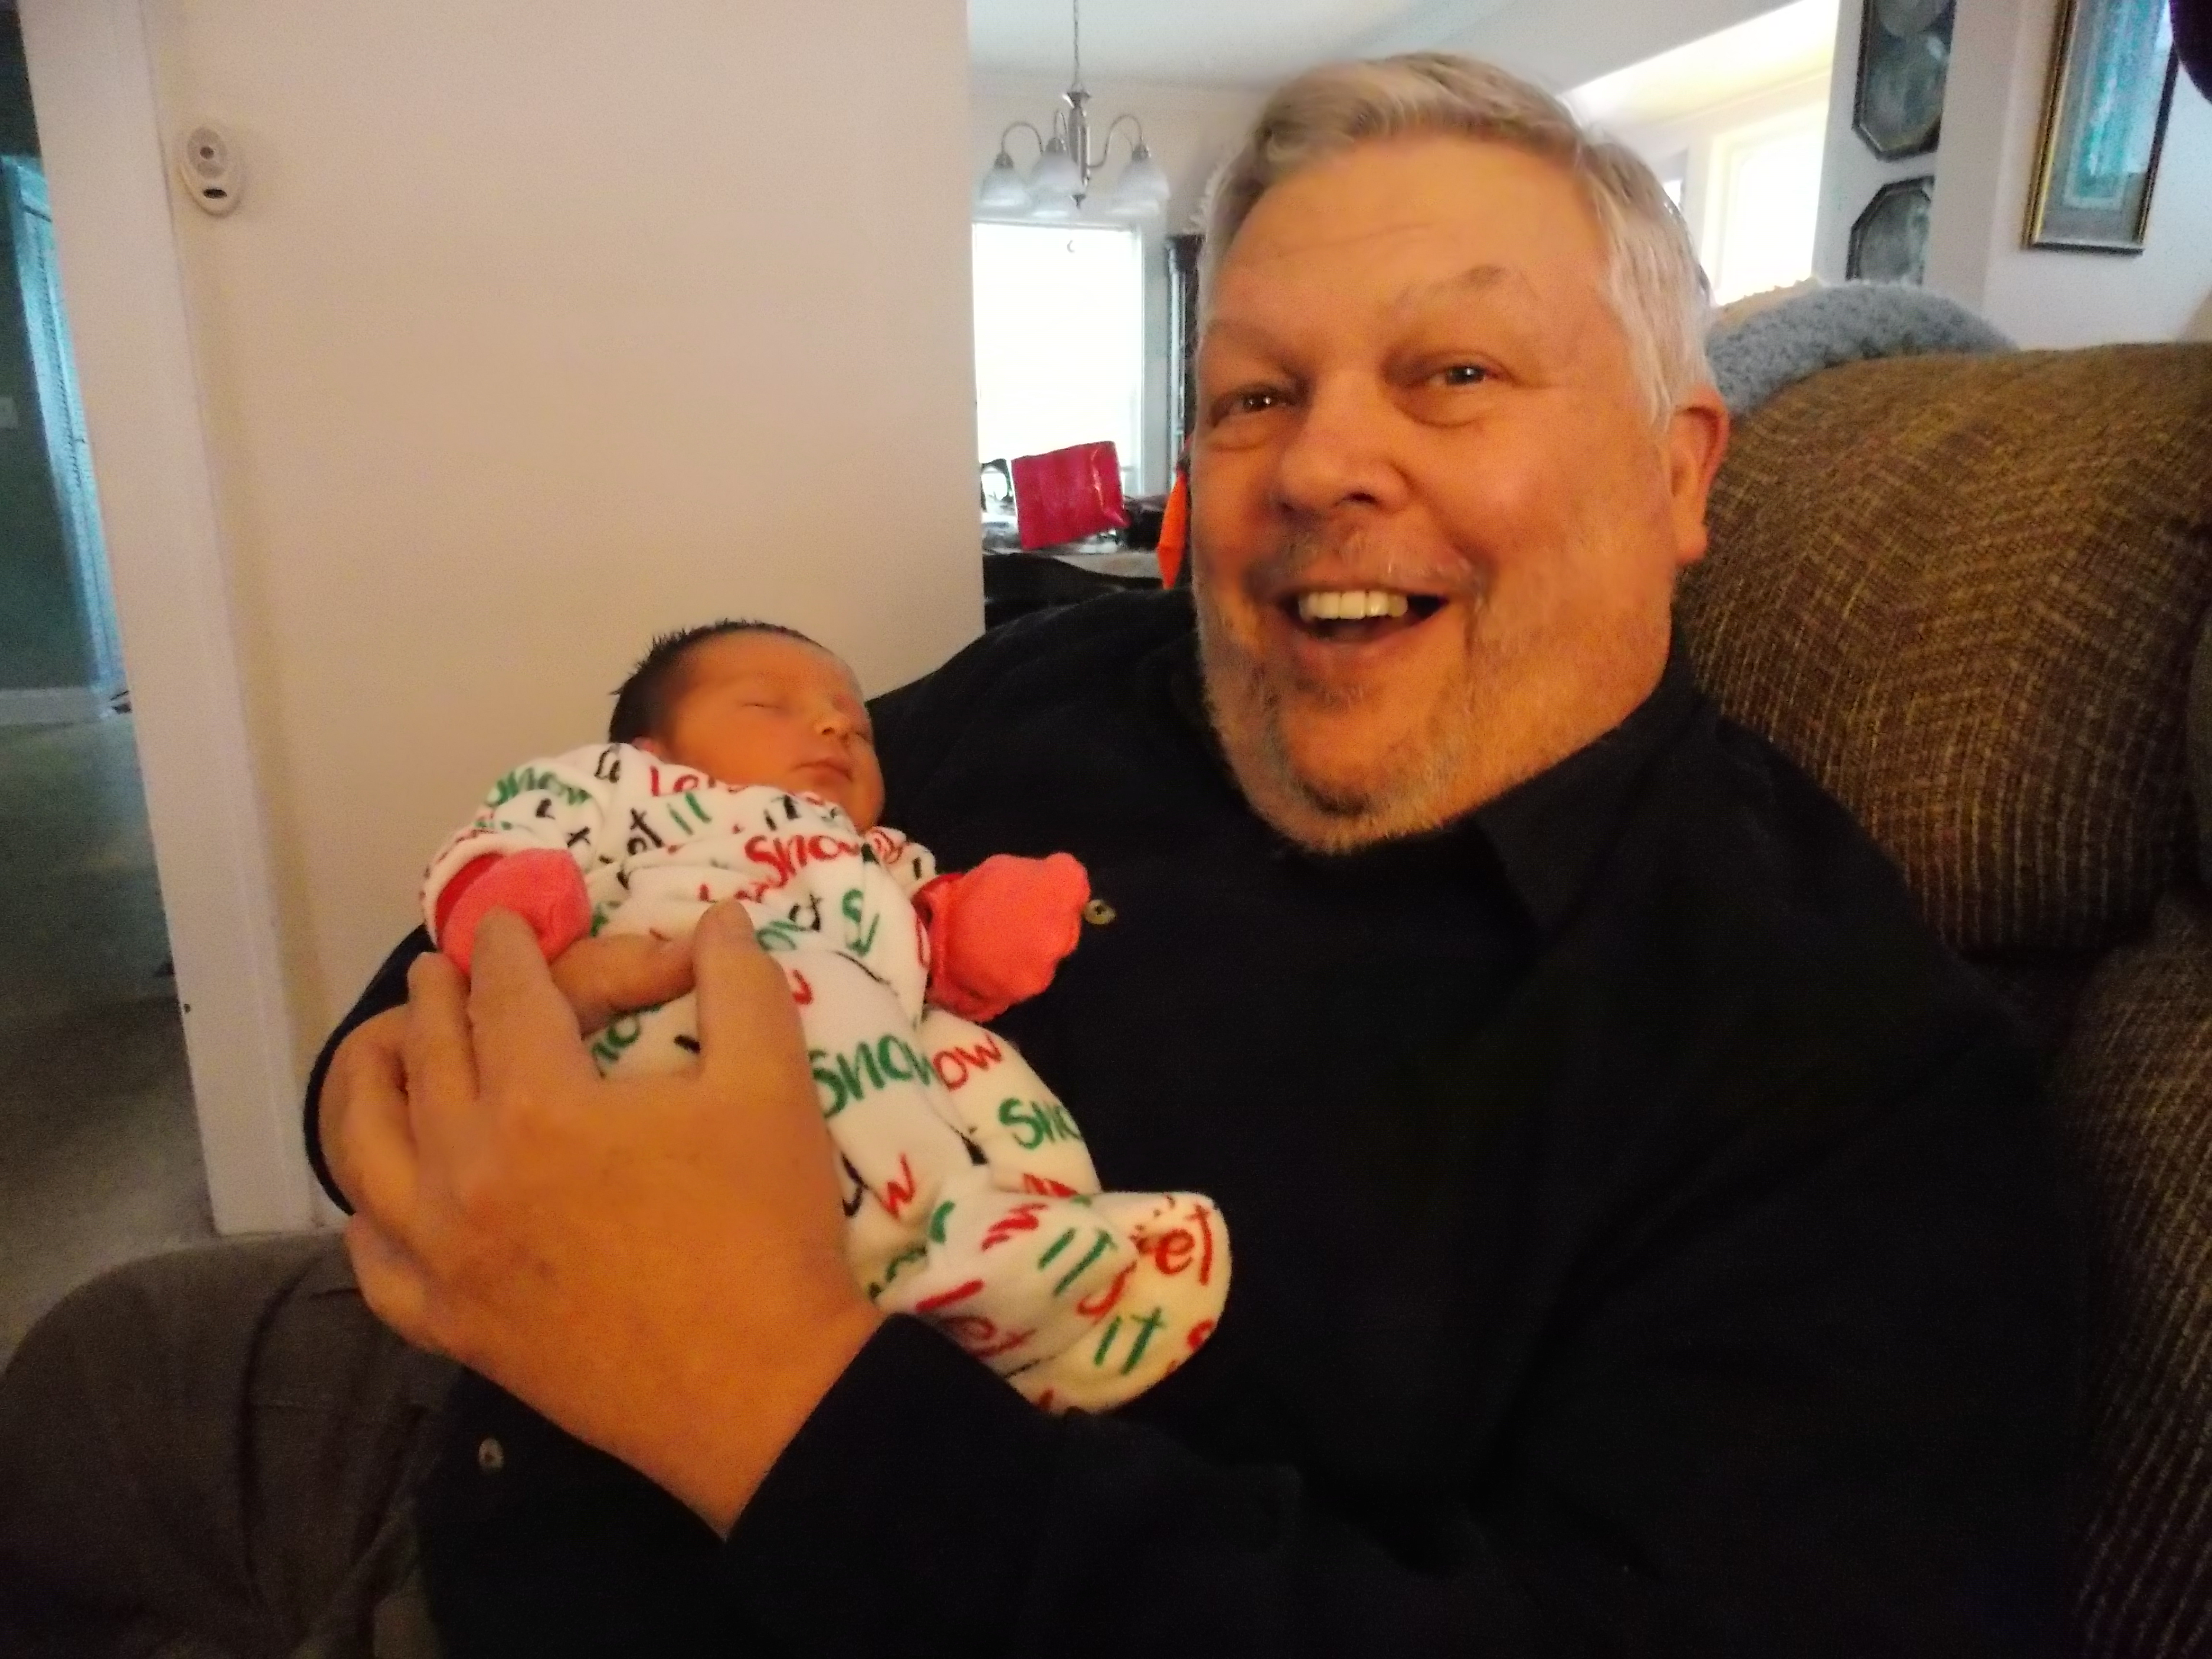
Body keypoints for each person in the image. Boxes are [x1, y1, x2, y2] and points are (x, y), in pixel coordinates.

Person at [0, 52, 2076, 1659]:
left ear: (1678, 466)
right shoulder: (1070, 679)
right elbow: (665, 832)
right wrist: (388, 1072)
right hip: (433, 1402)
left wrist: (769, 1401)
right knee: (77, 1382)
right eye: (1252, 396)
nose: (1320, 462)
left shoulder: (1844, 1080)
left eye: (1451, 373)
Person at [415, 617, 1226, 1410]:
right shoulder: (630, 791)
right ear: (649, 751)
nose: (837, 726)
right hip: (674, 1013)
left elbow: (916, 934)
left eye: (858, 728)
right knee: (812, 996)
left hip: (876, 1035)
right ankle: (924, 1260)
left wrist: (972, 924)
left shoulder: (874, 850)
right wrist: (504, 901)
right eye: (769, 705)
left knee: (981, 1069)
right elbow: (503, 835)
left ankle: (1049, 1247)